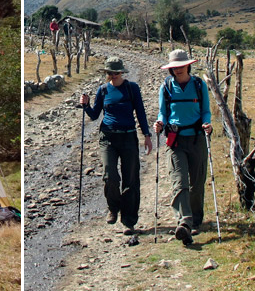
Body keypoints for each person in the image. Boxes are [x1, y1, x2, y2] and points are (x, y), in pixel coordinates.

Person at [80, 57, 153, 235]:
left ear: (122, 72)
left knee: (130, 179)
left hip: (128, 136)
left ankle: (129, 220)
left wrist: (147, 135)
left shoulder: (132, 88)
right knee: (109, 174)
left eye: (116, 72)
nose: (113, 75)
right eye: (110, 73)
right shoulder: (103, 90)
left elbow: (141, 112)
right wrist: (86, 105)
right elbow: (95, 115)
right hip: (108, 137)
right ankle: (113, 208)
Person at [152, 49, 211, 245]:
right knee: (179, 181)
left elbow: (206, 111)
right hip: (175, 140)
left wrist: (207, 124)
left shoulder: (198, 84)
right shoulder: (166, 87)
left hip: (196, 138)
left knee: (197, 182)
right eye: (174, 67)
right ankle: (184, 224)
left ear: (188, 65)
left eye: (181, 66)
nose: (177, 70)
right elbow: (163, 112)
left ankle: (195, 219)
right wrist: (159, 123)